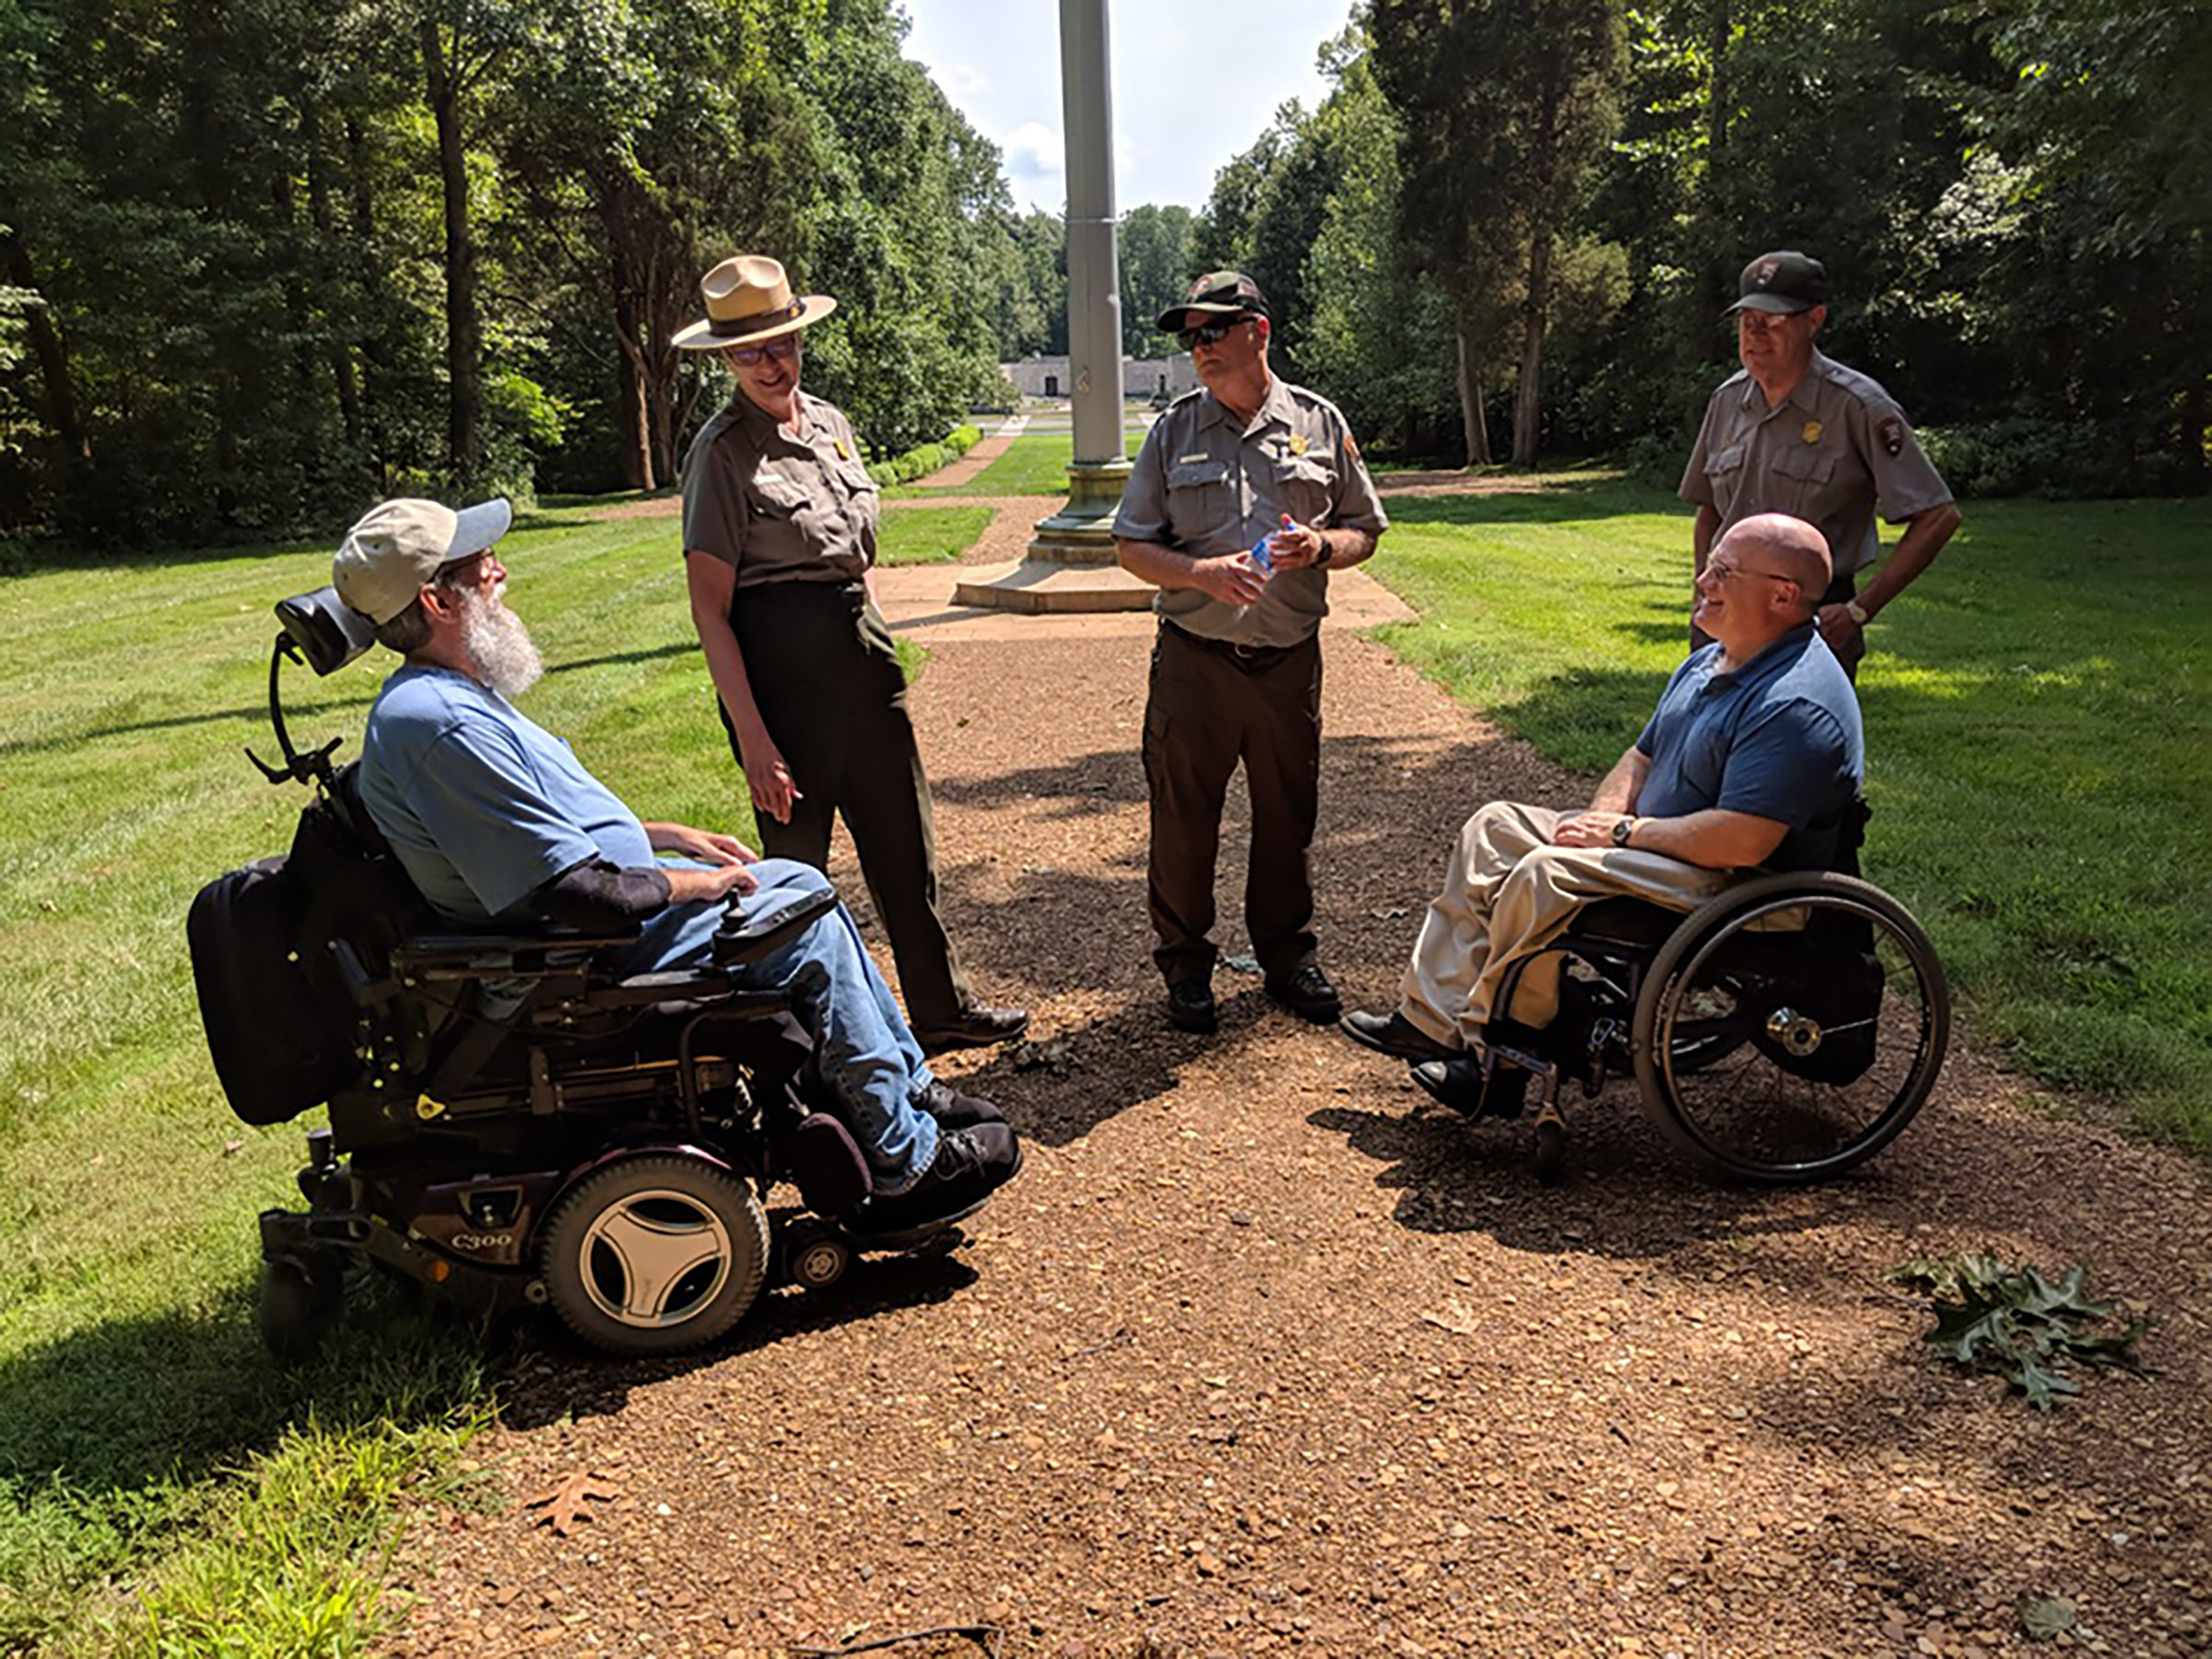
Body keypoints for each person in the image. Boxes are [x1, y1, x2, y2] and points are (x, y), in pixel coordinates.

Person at [330, 495, 1020, 1231]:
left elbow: (534, 833)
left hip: (587, 927)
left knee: (803, 882)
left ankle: (905, 1088)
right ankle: (901, 1164)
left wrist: (663, 833)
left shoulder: (448, 695)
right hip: (573, 957)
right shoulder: (440, 725)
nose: (500, 571)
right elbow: (582, 895)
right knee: (802, 918)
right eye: (480, 566)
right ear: (435, 600)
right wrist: (704, 884)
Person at [1341, 513, 1863, 1101]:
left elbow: (1742, 842)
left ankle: (1505, 1060)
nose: (1702, 580)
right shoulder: (1713, 659)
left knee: (1546, 875)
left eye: (1723, 571)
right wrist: (1597, 825)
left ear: (1783, 595)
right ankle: (1432, 1023)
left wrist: (1619, 834)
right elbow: (1641, 757)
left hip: (1742, 882)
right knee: (1495, 829)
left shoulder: (1795, 703)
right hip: (1664, 844)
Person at [671, 254, 1025, 1056]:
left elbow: (856, 559)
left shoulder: (831, 425)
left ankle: (939, 1007)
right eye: (750, 352)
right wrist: (755, 740)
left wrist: (876, 647)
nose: (771, 363)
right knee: (796, 877)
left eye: (782, 344)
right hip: (780, 676)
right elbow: (710, 610)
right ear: (725, 360)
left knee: (907, 845)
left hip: (861, 659)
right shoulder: (722, 453)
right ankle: (799, 1040)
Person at [1112, 270, 1390, 1035]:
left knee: (1286, 816)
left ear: (1256, 333)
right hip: (1196, 658)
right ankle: (1186, 968)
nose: (1197, 348)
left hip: (1287, 661)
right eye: (1190, 336)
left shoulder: (1320, 422)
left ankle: (1286, 957)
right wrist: (1201, 572)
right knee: (1183, 820)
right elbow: (1131, 545)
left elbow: (1367, 529)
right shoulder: (1174, 430)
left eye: (1211, 332)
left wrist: (1322, 546)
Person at [1681, 250, 1960, 676]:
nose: (1755, 334)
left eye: (1773, 321)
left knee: (1793, 741)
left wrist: (1858, 611)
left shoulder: (1857, 407)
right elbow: (1710, 511)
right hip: (1722, 620)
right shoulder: (1727, 402)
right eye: (1747, 320)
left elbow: (1938, 516)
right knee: (1703, 740)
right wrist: (1703, 590)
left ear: (1814, 320)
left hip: (1808, 626)